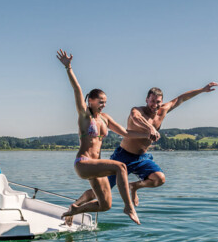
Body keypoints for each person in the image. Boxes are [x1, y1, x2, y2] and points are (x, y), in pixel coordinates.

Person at [70, 81, 218, 210]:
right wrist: (150, 128)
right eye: (152, 101)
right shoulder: (137, 110)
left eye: (158, 102)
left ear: (161, 102)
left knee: (159, 179)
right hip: (123, 156)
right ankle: (77, 204)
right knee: (103, 189)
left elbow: (181, 99)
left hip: (141, 158)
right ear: (147, 99)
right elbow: (136, 118)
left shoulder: (163, 111)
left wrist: (202, 90)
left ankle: (134, 186)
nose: (155, 105)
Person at [56, 49, 159, 225]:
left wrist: (147, 133)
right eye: (101, 101)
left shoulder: (105, 118)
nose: (104, 104)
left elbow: (126, 133)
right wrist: (69, 68)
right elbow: (76, 89)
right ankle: (129, 207)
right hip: (83, 163)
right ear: (91, 101)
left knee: (105, 205)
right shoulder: (85, 116)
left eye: (105, 102)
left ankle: (74, 210)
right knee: (120, 167)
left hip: (97, 166)